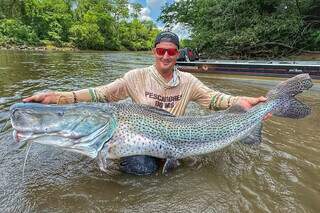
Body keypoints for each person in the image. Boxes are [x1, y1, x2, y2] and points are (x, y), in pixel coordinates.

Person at [23, 31, 268, 175]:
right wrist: (58, 97)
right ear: (154, 52)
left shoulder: (189, 81)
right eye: (161, 50)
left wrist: (242, 102)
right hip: (143, 141)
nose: (165, 56)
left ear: (177, 55)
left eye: (171, 52)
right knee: (140, 167)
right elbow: (102, 94)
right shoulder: (135, 77)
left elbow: (215, 100)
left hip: (177, 137)